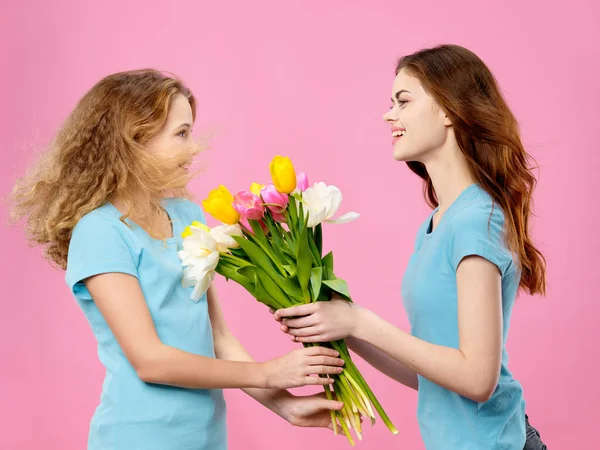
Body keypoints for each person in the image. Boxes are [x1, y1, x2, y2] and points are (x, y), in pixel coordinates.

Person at [10, 69, 346, 450]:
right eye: (182, 133)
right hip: (138, 438)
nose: (194, 148)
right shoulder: (100, 232)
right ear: (135, 139)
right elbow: (150, 360)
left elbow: (217, 336)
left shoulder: (187, 215)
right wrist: (269, 373)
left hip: (205, 437)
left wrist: (284, 405)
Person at [273, 45, 548, 450]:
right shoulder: (437, 223)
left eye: (403, 101)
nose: (389, 115)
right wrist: (341, 329)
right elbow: (432, 376)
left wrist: (359, 321)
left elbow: (477, 379)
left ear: (449, 110)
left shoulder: (474, 221)